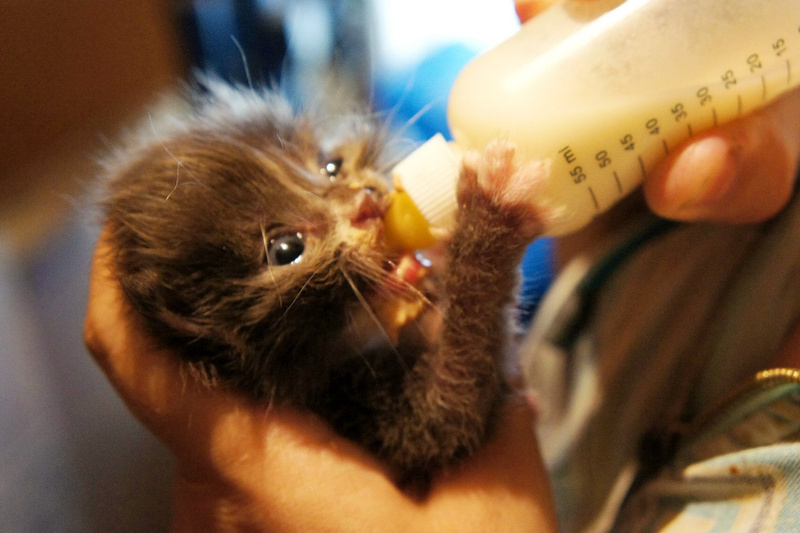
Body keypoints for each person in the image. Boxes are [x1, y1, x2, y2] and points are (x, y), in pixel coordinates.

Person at [84, 1, 800, 530]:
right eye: (287, 249)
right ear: (212, 337)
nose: (361, 198)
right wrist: (484, 258)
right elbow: (440, 424)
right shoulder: (313, 408)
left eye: (327, 164)